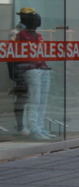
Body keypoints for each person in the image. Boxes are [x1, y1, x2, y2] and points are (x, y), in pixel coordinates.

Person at [15, 8, 54, 140]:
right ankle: (34, 128)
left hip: (42, 67)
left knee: (42, 99)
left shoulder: (39, 36)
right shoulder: (22, 35)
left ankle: (40, 126)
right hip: (31, 69)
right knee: (34, 99)